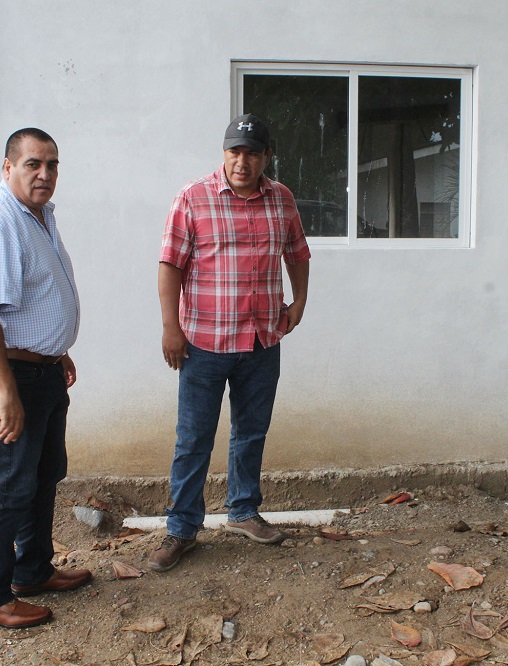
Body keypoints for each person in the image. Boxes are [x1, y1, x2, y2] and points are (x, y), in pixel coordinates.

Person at [150, 113, 311, 572]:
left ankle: (243, 510)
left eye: (252, 154)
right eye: (234, 152)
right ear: (224, 153)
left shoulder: (281, 199)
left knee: (251, 432)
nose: (242, 162)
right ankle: (182, 528)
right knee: (193, 438)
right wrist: (170, 327)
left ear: (267, 157)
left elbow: (297, 253)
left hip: (262, 340)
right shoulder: (193, 198)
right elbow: (170, 265)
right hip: (203, 342)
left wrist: (299, 301)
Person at [0, 128, 90, 628]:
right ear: (8, 167)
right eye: (33, 163)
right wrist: (5, 391)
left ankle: (32, 570)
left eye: (52, 164)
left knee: (42, 475)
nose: (44, 173)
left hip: (42, 371)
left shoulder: (39, 216)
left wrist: (57, 352)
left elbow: (34, 299)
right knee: (9, 486)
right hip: (11, 377)